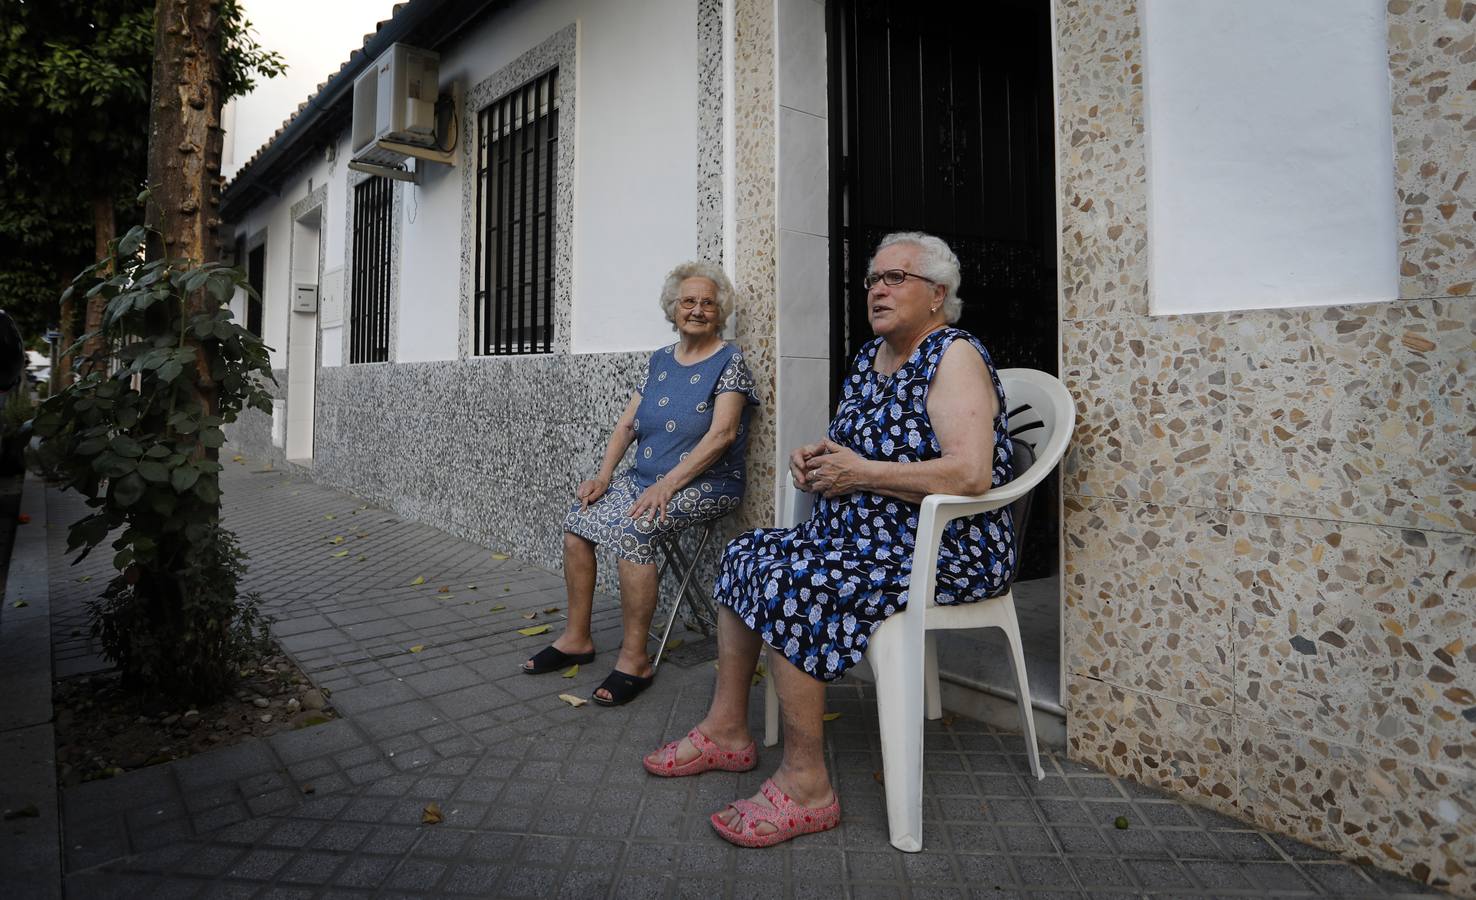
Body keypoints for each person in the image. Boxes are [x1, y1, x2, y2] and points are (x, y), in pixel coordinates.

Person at [642, 232, 1016, 847]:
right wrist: (821, 460)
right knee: (747, 554)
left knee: (798, 582)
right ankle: (728, 729)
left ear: (937, 296)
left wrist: (861, 473)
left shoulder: (954, 355)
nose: (877, 289)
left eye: (895, 278)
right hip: (863, 538)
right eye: (873, 279)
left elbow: (970, 473)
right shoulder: (872, 358)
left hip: (943, 548)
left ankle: (806, 784)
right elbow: (860, 450)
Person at [523, 261, 759, 707]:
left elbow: (723, 434)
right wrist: (603, 476)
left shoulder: (730, 361)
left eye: (708, 303)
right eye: (688, 301)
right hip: (646, 479)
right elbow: (627, 425)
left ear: (720, 313)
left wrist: (669, 485)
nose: (698, 309)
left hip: (707, 483)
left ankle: (635, 659)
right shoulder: (659, 360)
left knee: (635, 532)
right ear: (673, 308)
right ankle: (577, 638)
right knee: (579, 521)